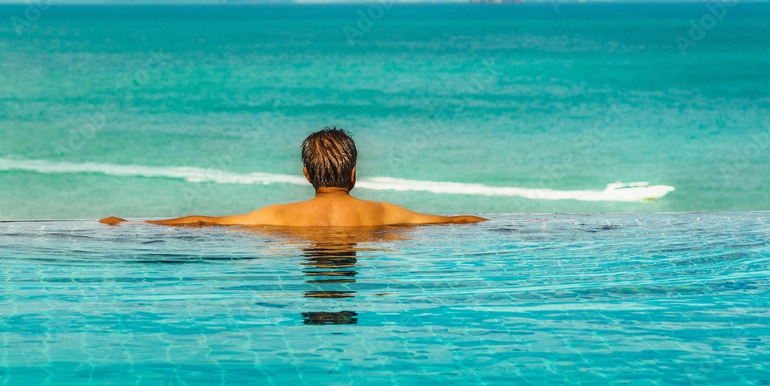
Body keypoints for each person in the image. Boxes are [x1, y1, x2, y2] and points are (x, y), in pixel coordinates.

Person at [99, 127, 487, 227]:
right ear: (353, 174)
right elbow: (454, 221)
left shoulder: (279, 216)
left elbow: (204, 222)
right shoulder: (385, 214)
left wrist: (130, 223)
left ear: (305, 174)